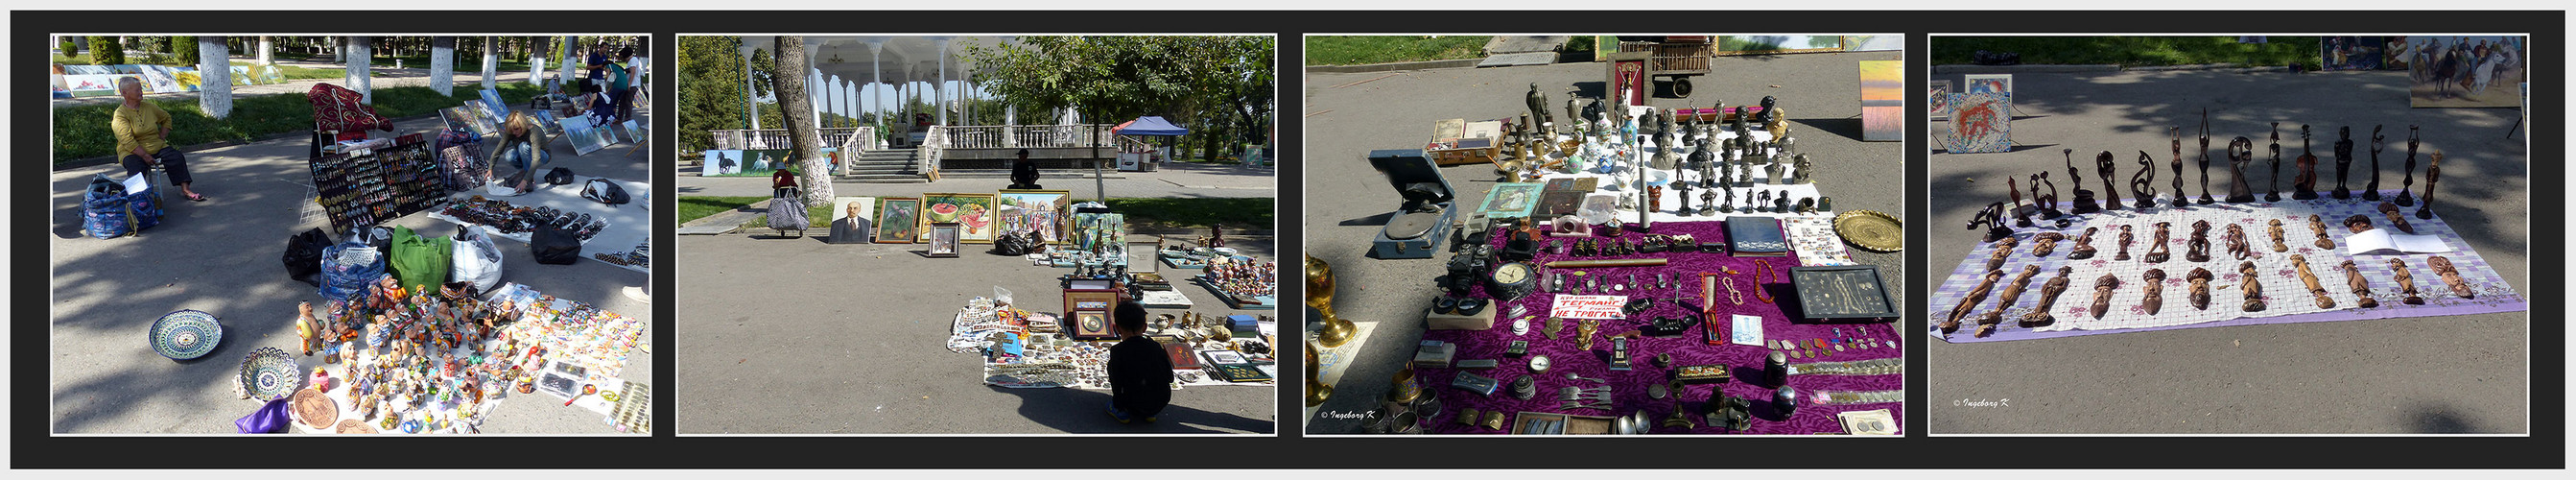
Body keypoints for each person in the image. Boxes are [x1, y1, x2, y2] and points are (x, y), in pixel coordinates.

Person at [112, 77, 206, 202]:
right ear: (125, 93)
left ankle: (186, 190)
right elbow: (127, 140)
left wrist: (162, 135)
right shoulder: (120, 114)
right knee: (136, 167)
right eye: (137, 90)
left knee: (176, 157)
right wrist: (145, 155)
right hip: (131, 151)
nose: (141, 92)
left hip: (156, 145)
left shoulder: (149, 107)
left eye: (141, 89)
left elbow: (166, 118)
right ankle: (137, 198)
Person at [1104, 301, 1171, 423]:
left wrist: (1118, 401)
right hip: (1161, 401)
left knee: (1112, 367)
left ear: (1117, 328)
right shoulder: (1155, 346)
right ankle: (1150, 413)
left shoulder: (1117, 351)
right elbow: (1170, 377)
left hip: (1132, 404)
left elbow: (1117, 383)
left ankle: (1122, 412)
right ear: (1145, 327)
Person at [494, 111, 551, 196]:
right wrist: (490, 169)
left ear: (523, 125)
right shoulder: (511, 131)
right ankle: (527, 174)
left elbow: (536, 159)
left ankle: (528, 179)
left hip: (542, 156)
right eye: (511, 130)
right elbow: (499, 150)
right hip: (526, 156)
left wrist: (525, 181)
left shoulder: (534, 131)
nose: (514, 132)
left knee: (523, 146)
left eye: (516, 129)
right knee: (509, 155)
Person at [608, 46, 636, 123]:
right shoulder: (631, 61)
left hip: (632, 85)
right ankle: (619, 118)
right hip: (626, 85)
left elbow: (633, 72)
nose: (624, 59)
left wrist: (629, 83)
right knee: (622, 102)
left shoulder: (633, 60)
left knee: (628, 102)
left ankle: (627, 119)